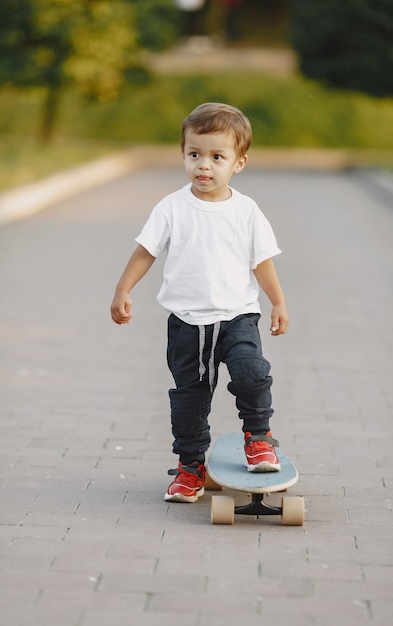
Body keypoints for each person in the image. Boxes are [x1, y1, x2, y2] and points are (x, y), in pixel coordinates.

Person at [110, 102, 289, 503]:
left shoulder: (246, 211)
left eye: (216, 157)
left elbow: (261, 262)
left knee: (251, 372)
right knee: (190, 399)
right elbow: (146, 251)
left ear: (238, 163)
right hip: (188, 323)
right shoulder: (172, 207)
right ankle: (191, 467)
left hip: (238, 316)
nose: (203, 165)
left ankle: (258, 438)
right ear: (184, 155)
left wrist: (277, 302)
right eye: (195, 155)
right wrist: (124, 289)